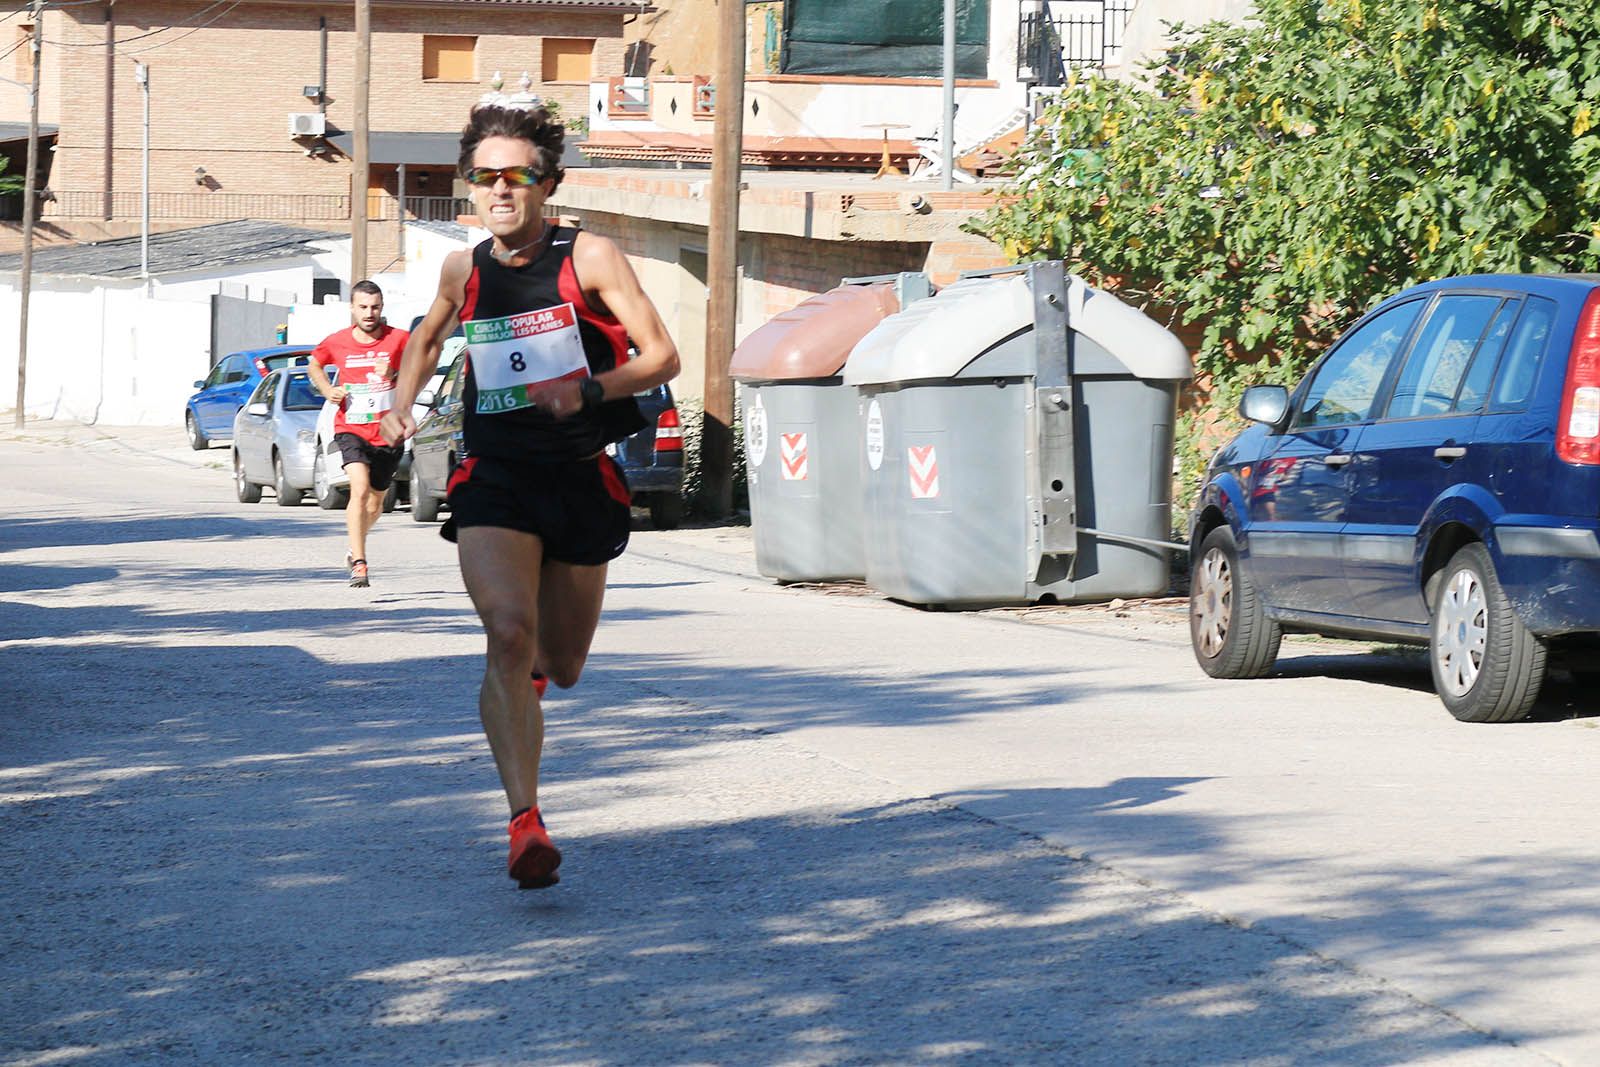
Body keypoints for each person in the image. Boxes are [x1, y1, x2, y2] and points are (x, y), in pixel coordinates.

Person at [381, 104, 679, 889]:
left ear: (550, 183)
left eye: (519, 174)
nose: (501, 189)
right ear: (468, 185)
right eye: (485, 176)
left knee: (563, 663)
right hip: (496, 475)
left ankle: (532, 684)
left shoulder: (593, 256)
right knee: (509, 634)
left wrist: (588, 389)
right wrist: (400, 403)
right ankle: (525, 823)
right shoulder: (463, 268)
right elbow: (426, 337)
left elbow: (662, 356)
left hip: (579, 474)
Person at [307, 280, 410, 588]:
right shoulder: (337, 341)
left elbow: (422, 368)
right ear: (352, 308)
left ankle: (355, 547)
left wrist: (394, 374)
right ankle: (361, 565)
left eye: (374, 307)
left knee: (376, 504)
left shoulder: (399, 339)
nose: (369, 313)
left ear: (382, 308)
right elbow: (314, 365)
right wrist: (328, 390)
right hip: (351, 427)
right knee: (360, 489)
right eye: (363, 307)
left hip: (388, 432)